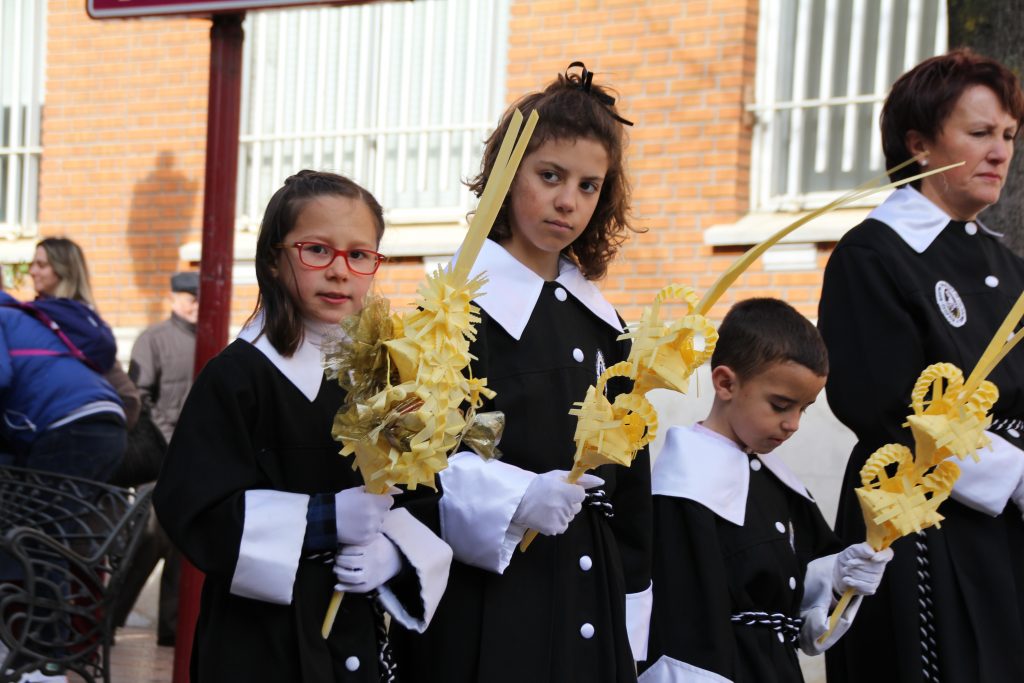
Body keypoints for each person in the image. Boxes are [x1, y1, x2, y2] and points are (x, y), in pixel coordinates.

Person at [390, 62, 651, 683]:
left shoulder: (604, 323)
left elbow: (630, 478)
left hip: (591, 599)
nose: (568, 201)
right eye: (550, 175)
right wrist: (514, 497)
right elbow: (408, 462)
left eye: (590, 186)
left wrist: (634, 613)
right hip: (494, 608)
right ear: (506, 177)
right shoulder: (453, 308)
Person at [151, 170, 452, 682]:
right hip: (259, 645)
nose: (340, 271)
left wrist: (395, 553)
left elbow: (424, 492)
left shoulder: (385, 378)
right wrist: (323, 519)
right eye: (317, 250)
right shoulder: (238, 376)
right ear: (273, 257)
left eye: (360, 255)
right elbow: (194, 508)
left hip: (358, 633)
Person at [818, 48, 1024, 682]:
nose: (1000, 153)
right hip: (920, 529)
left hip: (1008, 532)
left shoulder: (1006, 263)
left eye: (1009, 136)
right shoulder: (872, 256)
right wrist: (1017, 477)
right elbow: (888, 408)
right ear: (921, 144)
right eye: (980, 133)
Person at [638, 298, 894, 683]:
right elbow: (684, 623)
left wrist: (840, 573)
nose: (792, 424)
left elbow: (795, 594)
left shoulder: (777, 480)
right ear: (725, 383)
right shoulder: (684, 487)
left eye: (804, 409)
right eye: (780, 405)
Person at [111, 270, 199, 646]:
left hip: (194, 464)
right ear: (173, 298)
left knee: (183, 548)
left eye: (200, 296)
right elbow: (140, 399)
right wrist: (169, 441)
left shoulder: (211, 339)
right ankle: (107, 619)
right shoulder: (153, 339)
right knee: (146, 543)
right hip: (159, 460)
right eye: (189, 296)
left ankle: (172, 631)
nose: (195, 303)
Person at [29, 237, 141, 430]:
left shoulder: (67, 322)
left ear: (63, 270)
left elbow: (125, 393)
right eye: (33, 264)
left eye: (41, 265)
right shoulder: (85, 318)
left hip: (69, 426)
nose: (32, 272)